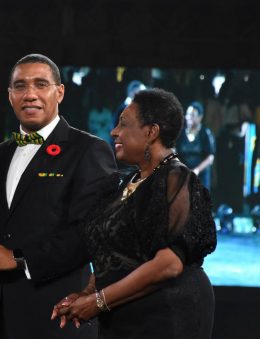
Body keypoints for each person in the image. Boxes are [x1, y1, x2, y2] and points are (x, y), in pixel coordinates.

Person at [0, 54, 117, 339]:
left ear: (60, 92)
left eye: (40, 84)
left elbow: (90, 234)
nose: (29, 94)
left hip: (56, 319)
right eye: (20, 86)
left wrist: (18, 258)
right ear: (9, 96)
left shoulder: (88, 151)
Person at [52, 88, 217, 338]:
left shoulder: (176, 178)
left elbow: (169, 264)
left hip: (166, 315)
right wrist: (86, 293)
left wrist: (98, 301)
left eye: (124, 124)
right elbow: (114, 251)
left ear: (151, 132)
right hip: (122, 316)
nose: (114, 131)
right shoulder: (125, 181)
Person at [176, 101, 215, 190]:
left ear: (200, 117)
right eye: (188, 115)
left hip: (201, 176)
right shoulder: (181, 134)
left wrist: (196, 170)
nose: (189, 118)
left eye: (192, 115)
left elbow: (210, 158)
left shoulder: (205, 133)